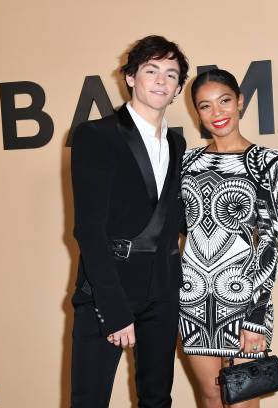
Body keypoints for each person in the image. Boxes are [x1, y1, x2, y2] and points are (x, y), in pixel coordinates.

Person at [69, 35, 188, 408]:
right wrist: (115, 309)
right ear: (131, 77)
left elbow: (172, 217)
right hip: (108, 291)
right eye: (150, 70)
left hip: (163, 294)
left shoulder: (177, 144)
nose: (160, 80)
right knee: (89, 401)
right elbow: (89, 230)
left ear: (178, 88)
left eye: (170, 74)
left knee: (157, 400)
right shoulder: (96, 135)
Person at [179, 69, 278, 408]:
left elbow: (270, 240)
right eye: (206, 106)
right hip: (193, 296)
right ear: (196, 112)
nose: (217, 113)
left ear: (240, 101)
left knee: (243, 398)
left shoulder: (269, 162)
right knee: (211, 395)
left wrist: (256, 315)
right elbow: (180, 230)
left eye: (224, 101)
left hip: (245, 296)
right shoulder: (186, 162)